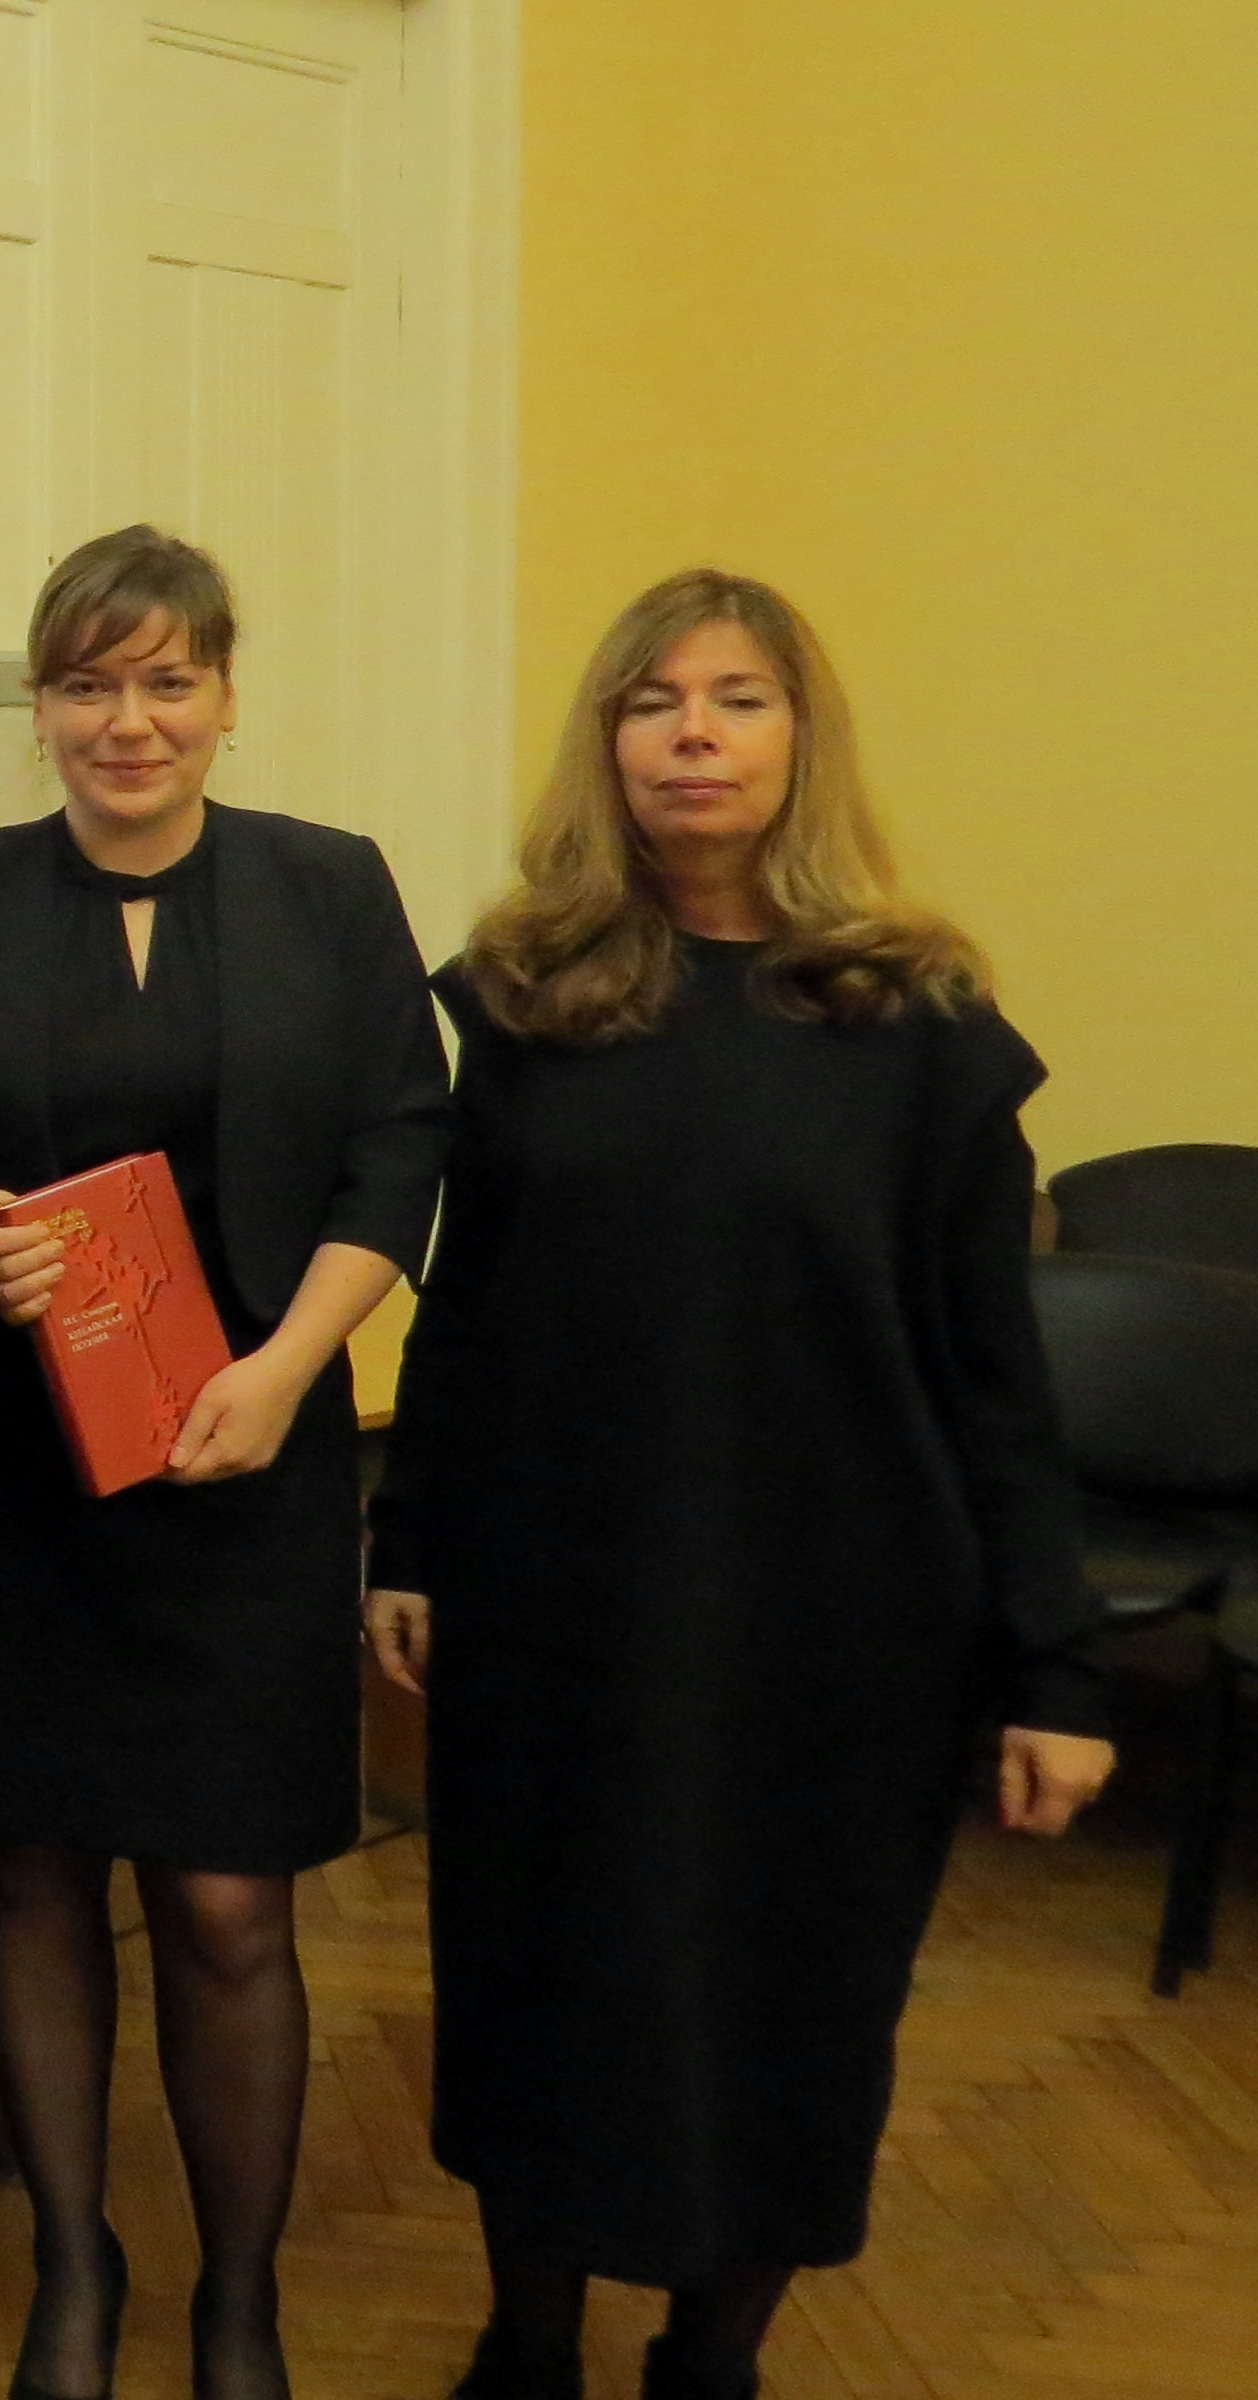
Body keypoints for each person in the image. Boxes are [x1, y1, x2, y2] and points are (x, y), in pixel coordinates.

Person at [364, 571, 1114, 2400]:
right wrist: (415, 1538)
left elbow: (990, 1371)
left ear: (802, 738)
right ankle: (526, 2347)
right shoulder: (527, 998)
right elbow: (470, 1305)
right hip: (562, 1607)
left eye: (739, 700)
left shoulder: (921, 1023)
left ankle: (714, 2359)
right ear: (606, 744)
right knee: (537, 1980)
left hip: (843, 1630)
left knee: (792, 2003)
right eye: (654, 702)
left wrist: (1057, 1670)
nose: (693, 734)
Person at [0, 527, 447, 2400]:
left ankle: (241, 2299)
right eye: (90, 684)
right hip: (3, 1475)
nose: (131, 720)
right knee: (27, 1876)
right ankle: (71, 2266)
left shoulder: (329, 888)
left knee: (224, 1898)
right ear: (38, 707)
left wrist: (286, 1374)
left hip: (242, 1457)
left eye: (167, 679)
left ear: (225, 696)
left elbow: (398, 1149)